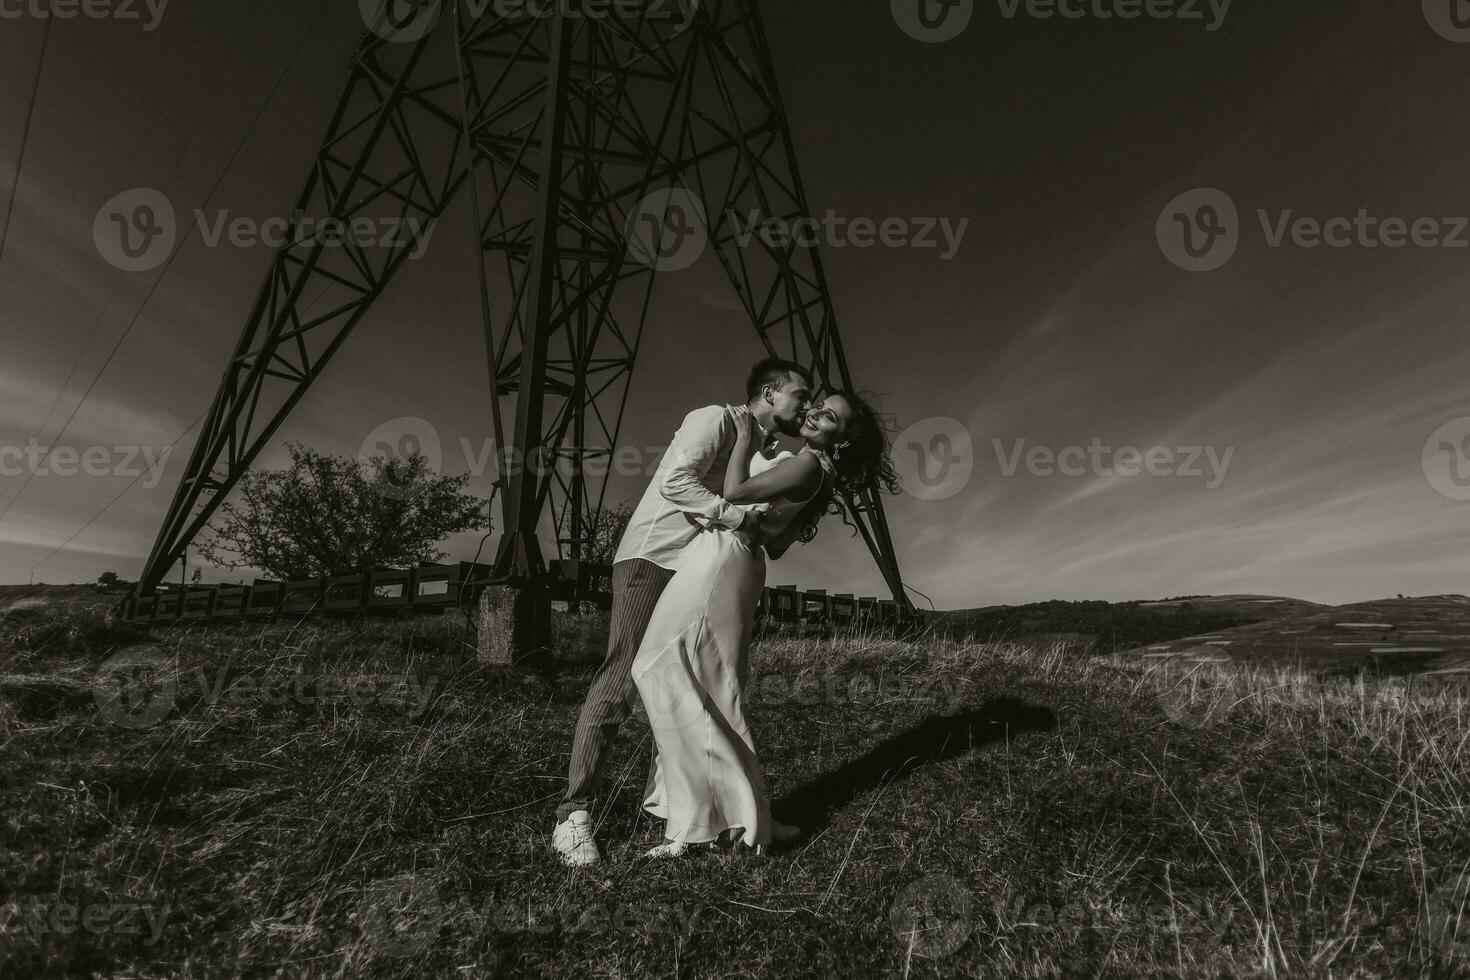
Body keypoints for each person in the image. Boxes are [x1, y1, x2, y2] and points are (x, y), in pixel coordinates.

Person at [551, 357, 814, 866]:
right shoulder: (716, 418)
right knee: (623, 676)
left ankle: (710, 812)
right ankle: (573, 815)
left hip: (701, 571)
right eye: (800, 395)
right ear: (769, 391)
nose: (806, 406)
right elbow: (676, 482)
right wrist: (736, 514)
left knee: (699, 683)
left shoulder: (768, 451)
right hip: (655, 558)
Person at [632, 390, 898, 856]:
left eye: (829, 416)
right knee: (707, 683)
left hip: (722, 559)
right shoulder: (816, 472)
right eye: (817, 404)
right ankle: (733, 813)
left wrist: (740, 442)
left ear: (842, 437)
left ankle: (702, 822)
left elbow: (733, 494)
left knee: (661, 669)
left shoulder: (809, 466)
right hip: (740, 559)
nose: (814, 413)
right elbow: (777, 544)